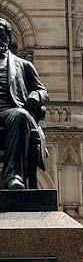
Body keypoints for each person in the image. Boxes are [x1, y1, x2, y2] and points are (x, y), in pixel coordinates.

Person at [0, 18, 48, 189]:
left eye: (0, 34)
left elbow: (42, 91)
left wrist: (35, 95)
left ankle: (13, 176)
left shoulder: (23, 65)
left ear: (7, 38)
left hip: (9, 112)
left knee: (20, 116)